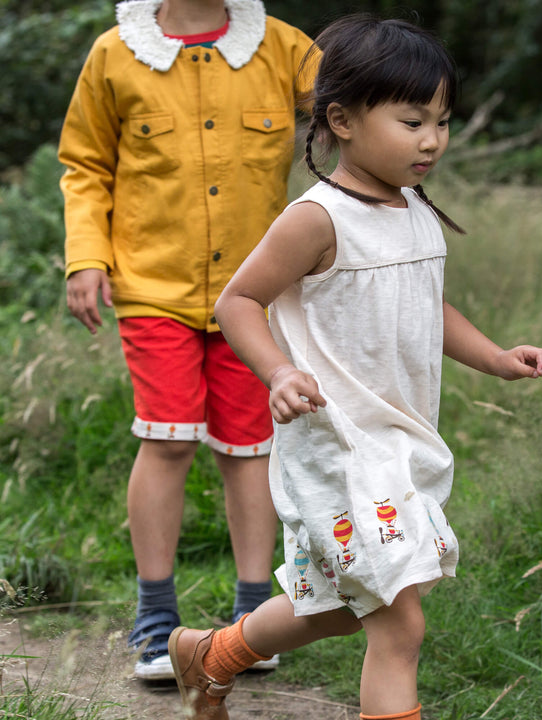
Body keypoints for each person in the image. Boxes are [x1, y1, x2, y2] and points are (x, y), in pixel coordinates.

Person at [168, 14, 542, 720]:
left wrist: (496, 357)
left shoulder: (414, 210)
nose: (432, 140)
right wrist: (279, 374)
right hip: (338, 443)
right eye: (412, 121)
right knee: (399, 623)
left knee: (345, 606)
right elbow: (238, 302)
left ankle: (210, 656)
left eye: (441, 121)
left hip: (400, 441)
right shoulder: (317, 219)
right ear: (342, 119)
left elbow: (424, 305)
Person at [58, 0, 316, 680]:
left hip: (252, 291)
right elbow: (84, 163)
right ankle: (155, 621)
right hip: (152, 288)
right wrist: (87, 256)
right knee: (169, 438)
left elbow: (357, 112)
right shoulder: (115, 52)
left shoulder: (286, 49)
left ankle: (253, 621)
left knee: (250, 446)